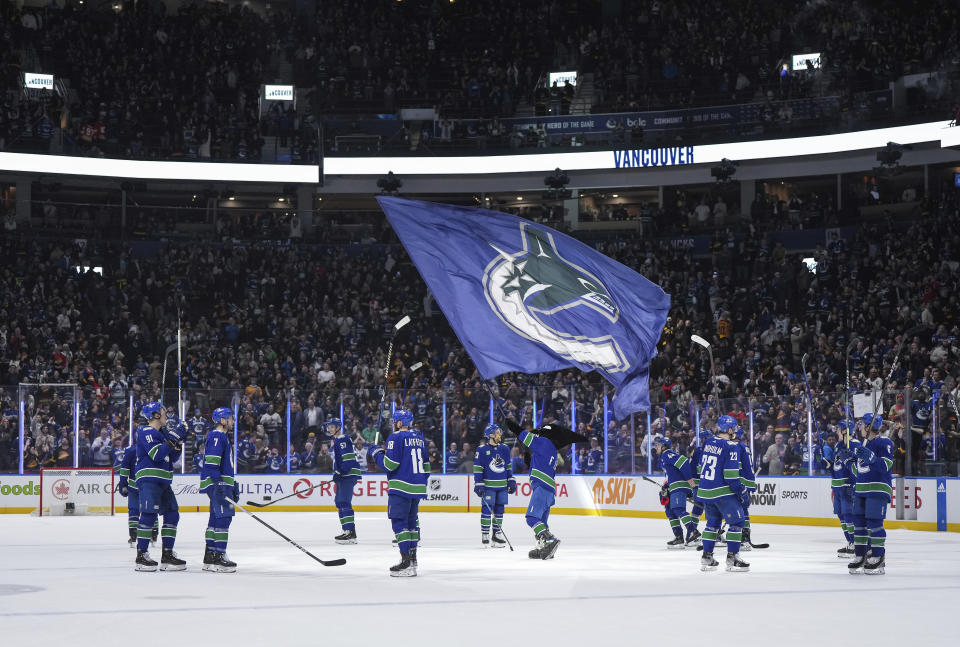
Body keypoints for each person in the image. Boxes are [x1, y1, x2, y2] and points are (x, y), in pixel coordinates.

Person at [513, 421, 585, 560]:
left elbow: (525, 437)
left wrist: (513, 426)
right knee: (542, 522)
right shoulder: (551, 449)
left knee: (532, 518)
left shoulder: (544, 442)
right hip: (549, 490)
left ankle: (550, 540)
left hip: (541, 487)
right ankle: (544, 547)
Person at [370, 409, 427, 577]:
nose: (394, 424)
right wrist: (419, 481)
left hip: (401, 486)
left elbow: (390, 464)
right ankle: (413, 559)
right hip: (418, 487)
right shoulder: (419, 438)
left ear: (400, 423)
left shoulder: (395, 437)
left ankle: (406, 562)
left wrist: (376, 453)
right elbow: (427, 465)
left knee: (399, 522)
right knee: (411, 523)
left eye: (395, 421)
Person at [134, 402, 187, 572]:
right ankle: (141, 556)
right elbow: (156, 454)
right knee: (149, 515)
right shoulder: (145, 431)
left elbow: (173, 457)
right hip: (149, 479)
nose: (166, 416)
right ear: (156, 415)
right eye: (164, 413)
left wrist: (178, 440)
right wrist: (173, 436)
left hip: (164, 481)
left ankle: (167, 554)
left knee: (173, 514)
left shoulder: (162, 434)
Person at [695, 415, 749, 572]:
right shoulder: (731, 446)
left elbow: (700, 468)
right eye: (735, 429)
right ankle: (732, 559)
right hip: (723, 493)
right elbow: (731, 476)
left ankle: (707, 557)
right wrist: (743, 492)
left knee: (712, 524)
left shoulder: (708, 442)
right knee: (738, 522)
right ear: (730, 430)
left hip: (706, 491)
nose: (736, 432)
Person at [849, 413, 894, 574]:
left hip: (877, 488)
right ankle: (860, 555)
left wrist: (872, 457)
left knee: (874, 523)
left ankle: (878, 556)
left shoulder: (884, 442)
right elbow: (859, 471)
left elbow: (886, 466)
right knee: (859, 523)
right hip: (861, 489)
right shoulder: (863, 444)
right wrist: (850, 463)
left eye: (861, 424)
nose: (859, 427)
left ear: (869, 427)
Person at [200, 407, 239, 573]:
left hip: (221, 482)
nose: (233, 421)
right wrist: (220, 484)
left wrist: (232, 484)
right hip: (218, 483)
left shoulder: (220, 436)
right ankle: (220, 557)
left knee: (215, 518)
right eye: (230, 418)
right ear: (222, 420)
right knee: (224, 518)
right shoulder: (217, 435)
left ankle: (210, 556)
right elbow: (211, 462)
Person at [473, 424, 515, 548]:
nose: (499, 435)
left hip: (502, 486)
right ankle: (485, 533)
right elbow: (477, 468)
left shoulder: (505, 449)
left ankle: (497, 535)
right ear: (490, 435)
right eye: (497, 432)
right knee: (486, 510)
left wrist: (511, 480)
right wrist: (479, 484)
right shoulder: (481, 449)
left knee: (500, 510)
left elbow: (508, 466)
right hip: (488, 486)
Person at [654, 435, 700, 548]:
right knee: (670, 510)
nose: (656, 448)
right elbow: (673, 473)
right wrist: (666, 486)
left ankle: (694, 532)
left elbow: (683, 462)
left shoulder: (667, 454)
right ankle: (679, 537)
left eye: (658, 445)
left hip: (680, 486)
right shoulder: (664, 458)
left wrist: (691, 483)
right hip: (674, 486)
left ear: (664, 447)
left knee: (678, 509)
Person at [114, 430, 156, 547]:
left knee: (133, 509)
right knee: (151, 508)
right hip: (149, 484)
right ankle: (153, 532)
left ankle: (133, 535)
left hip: (134, 485)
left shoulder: (130, 450)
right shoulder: (152, 449)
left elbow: (125, 468)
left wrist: (123, 483)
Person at [827, 422, 858, 559]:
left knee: (849, 515)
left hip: (847, 485)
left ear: (845, 431)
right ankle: (850, 542)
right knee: (841, 515)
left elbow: (856, 466)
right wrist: (829, 465)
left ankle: (857, 544)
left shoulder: (855, 444)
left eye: (839, 429)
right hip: (837, 486)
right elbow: (836, 465)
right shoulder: (839, 446)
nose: (836, 431)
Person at [328, 418, 362, 544]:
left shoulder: (342, 439)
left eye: (332, 427)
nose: (330, 429)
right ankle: (346, 531)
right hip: (344, 474)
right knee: (339, 501)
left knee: (344, 501)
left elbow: (348, 459)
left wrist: (340, 471)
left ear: (338, 427)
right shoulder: (338, 440)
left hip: (348, 474)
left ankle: (350, 533)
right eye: (329, 427)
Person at [733, 426, 757, 551]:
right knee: (743, 510)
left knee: (738, 509)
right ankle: (745, 536)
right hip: (746, 482)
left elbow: (735, 467)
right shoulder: (744, 446)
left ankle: (743, 538)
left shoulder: (736, 447)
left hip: (739, 482)